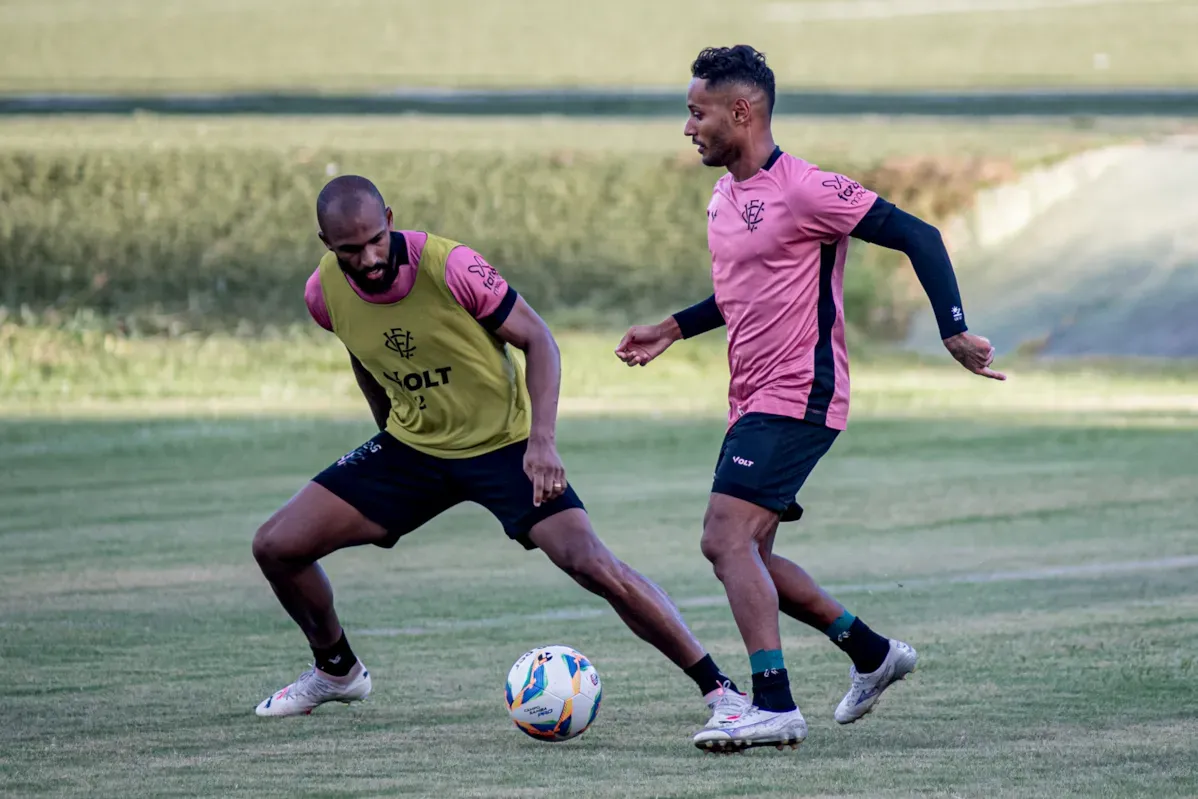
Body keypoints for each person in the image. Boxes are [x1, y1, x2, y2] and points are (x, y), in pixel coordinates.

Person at [252, 175, 746, 735]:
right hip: (413, 447)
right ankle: (336, 671)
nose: (366, 258)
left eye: (374, 240)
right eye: (349, 249)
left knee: (592, 565)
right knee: (276, 545)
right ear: (325, 242)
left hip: (505, 448)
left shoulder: (452, 266)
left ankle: (721, 692)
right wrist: (384, 431)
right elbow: (363, 353)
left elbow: (540, 340)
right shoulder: (324, 294)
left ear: (390, 218)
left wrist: (542, 442)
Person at [616, 46, 1006, 752]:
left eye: (696, 112)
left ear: (743, 111)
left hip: (800, 392)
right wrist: (674, 327)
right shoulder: (725, 195)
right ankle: (872, 652)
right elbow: (742, 292)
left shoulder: (806, 188)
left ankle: (772, 703)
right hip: (753, 396)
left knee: (722, 538)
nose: (687, 128)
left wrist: (953, 331)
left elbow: (920, 235)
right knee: (753, 556)